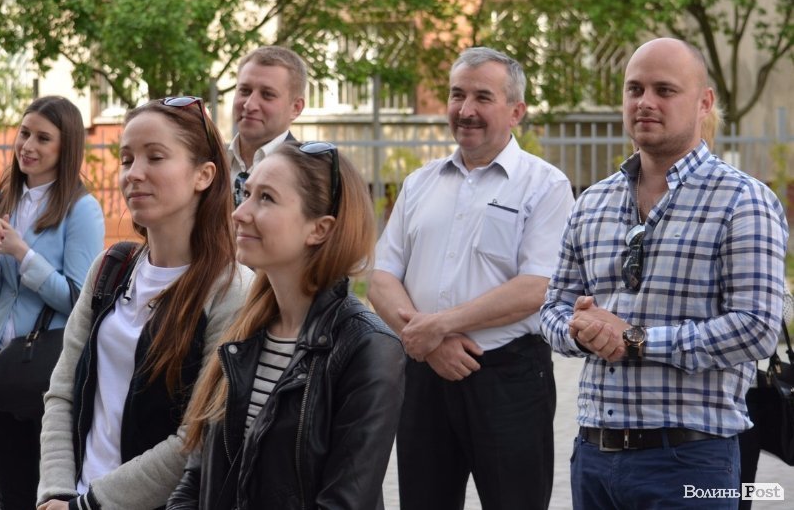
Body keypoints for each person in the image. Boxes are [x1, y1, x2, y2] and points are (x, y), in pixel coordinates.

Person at [540, 37, 789, 509]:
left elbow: (757, 328)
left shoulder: (743, 201)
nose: (645, 102)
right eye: (634, 89)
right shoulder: (592, 201)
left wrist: (635, 340)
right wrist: (583, 330)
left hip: (692, 460)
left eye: (665, 90)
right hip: (593, 455)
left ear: (704, 102)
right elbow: (552, 308)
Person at [369, 47, 575, 510]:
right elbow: (381, 278)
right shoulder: (419, 183)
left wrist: (440, 326)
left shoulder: (545, 186)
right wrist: (427, 341)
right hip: (424, 375)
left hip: (508, 379)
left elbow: (538, 286)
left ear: (516, 111)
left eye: (483, 97)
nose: (465, 110)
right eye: (457, 95)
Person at [37, 96, 253, 510]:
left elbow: (195, 438)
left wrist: (89, 505)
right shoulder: (110, 268)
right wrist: (57, 493)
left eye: (155, 157)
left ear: (204, 174)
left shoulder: (232, 289)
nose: (134, 173)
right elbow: (62, 394)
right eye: (126, 159)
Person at [168, 141, 405, 510]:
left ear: (319, 229)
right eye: (246, 193)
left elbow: (344, 501)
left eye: (266, 198)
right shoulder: (242, 330)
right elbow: (195, 482)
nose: (239, 213)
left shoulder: (368, 347)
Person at [0, 95, 105, 509]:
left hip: (50, 369)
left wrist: (22, 253)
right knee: (10, 493)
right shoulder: (1, 201)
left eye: (43, 138)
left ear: (66, 147)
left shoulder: (82, 210)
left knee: (48, 494)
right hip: (1, 362)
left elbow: (80, 300)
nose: (28, 146)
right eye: (24, 133)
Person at [228, 45, 306, 206]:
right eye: (245, 91)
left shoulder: (307, 175)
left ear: (296, 108)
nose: (249, 105)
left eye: (267, 95)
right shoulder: (209, 161)